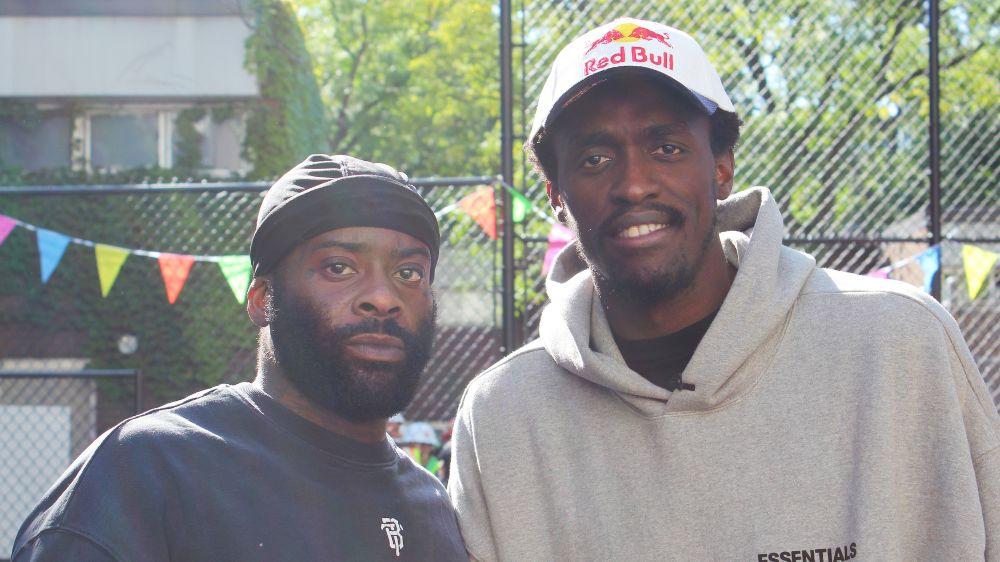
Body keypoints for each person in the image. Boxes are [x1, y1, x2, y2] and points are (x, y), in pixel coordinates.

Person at [448, 17, 1000, 561]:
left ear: (721, 168)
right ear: (557, 197)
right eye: (595, 159)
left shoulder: (898, 345)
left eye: (665, 148)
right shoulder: (504, 417)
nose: (634, 183)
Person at [13, 155, 467, 561]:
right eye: (339, 267)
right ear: (262, 297)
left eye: (409, 272)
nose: (383, 298)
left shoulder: (434, 509)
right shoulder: (147, 472)